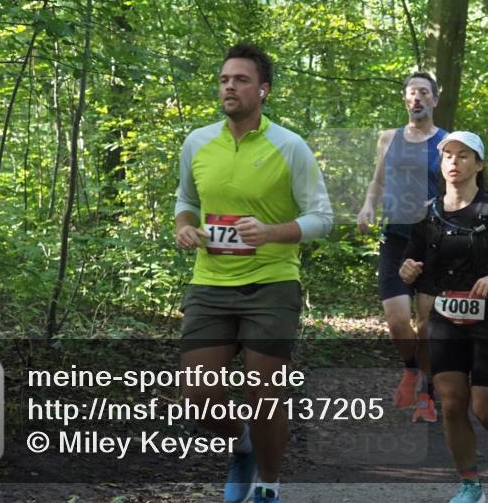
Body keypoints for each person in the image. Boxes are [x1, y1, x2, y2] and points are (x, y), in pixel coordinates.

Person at [174, 43, 334, 503]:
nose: (229, 86)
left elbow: (322, 218)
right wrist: (186, 228)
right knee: (198, 396)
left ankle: (268, 484)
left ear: (263, 90)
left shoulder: (290, 146)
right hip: (209, 284)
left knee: (266, 395)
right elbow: (186, 202)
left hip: (272, 283)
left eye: (241, 80)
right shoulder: (198, 143)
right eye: (224, 79)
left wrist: (271, 232)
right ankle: (242, 446)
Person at [398, 131, 488, 502]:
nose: (454, 162)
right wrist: (407, 270)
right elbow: (411, 260)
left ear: (479, 164)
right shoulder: (429, 213)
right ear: (441, 165)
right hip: (444, 319)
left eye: (463, 156)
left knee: (485, 408)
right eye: (447, 156)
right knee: (453, 402)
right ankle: (470, 485)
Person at [357, 72, 448, 422]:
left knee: (426, 324)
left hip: (432, 242)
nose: (417, 99)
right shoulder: (387, 138)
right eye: (412, 93)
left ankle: (427, 393)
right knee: (397, 322)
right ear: (404, 99)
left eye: (424, 93)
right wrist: (368, 206)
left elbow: (458, 186)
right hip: (395, 238)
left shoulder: (446, 141)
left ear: (434, 100)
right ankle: (412, 369)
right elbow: (377, 181)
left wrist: (439, 207)